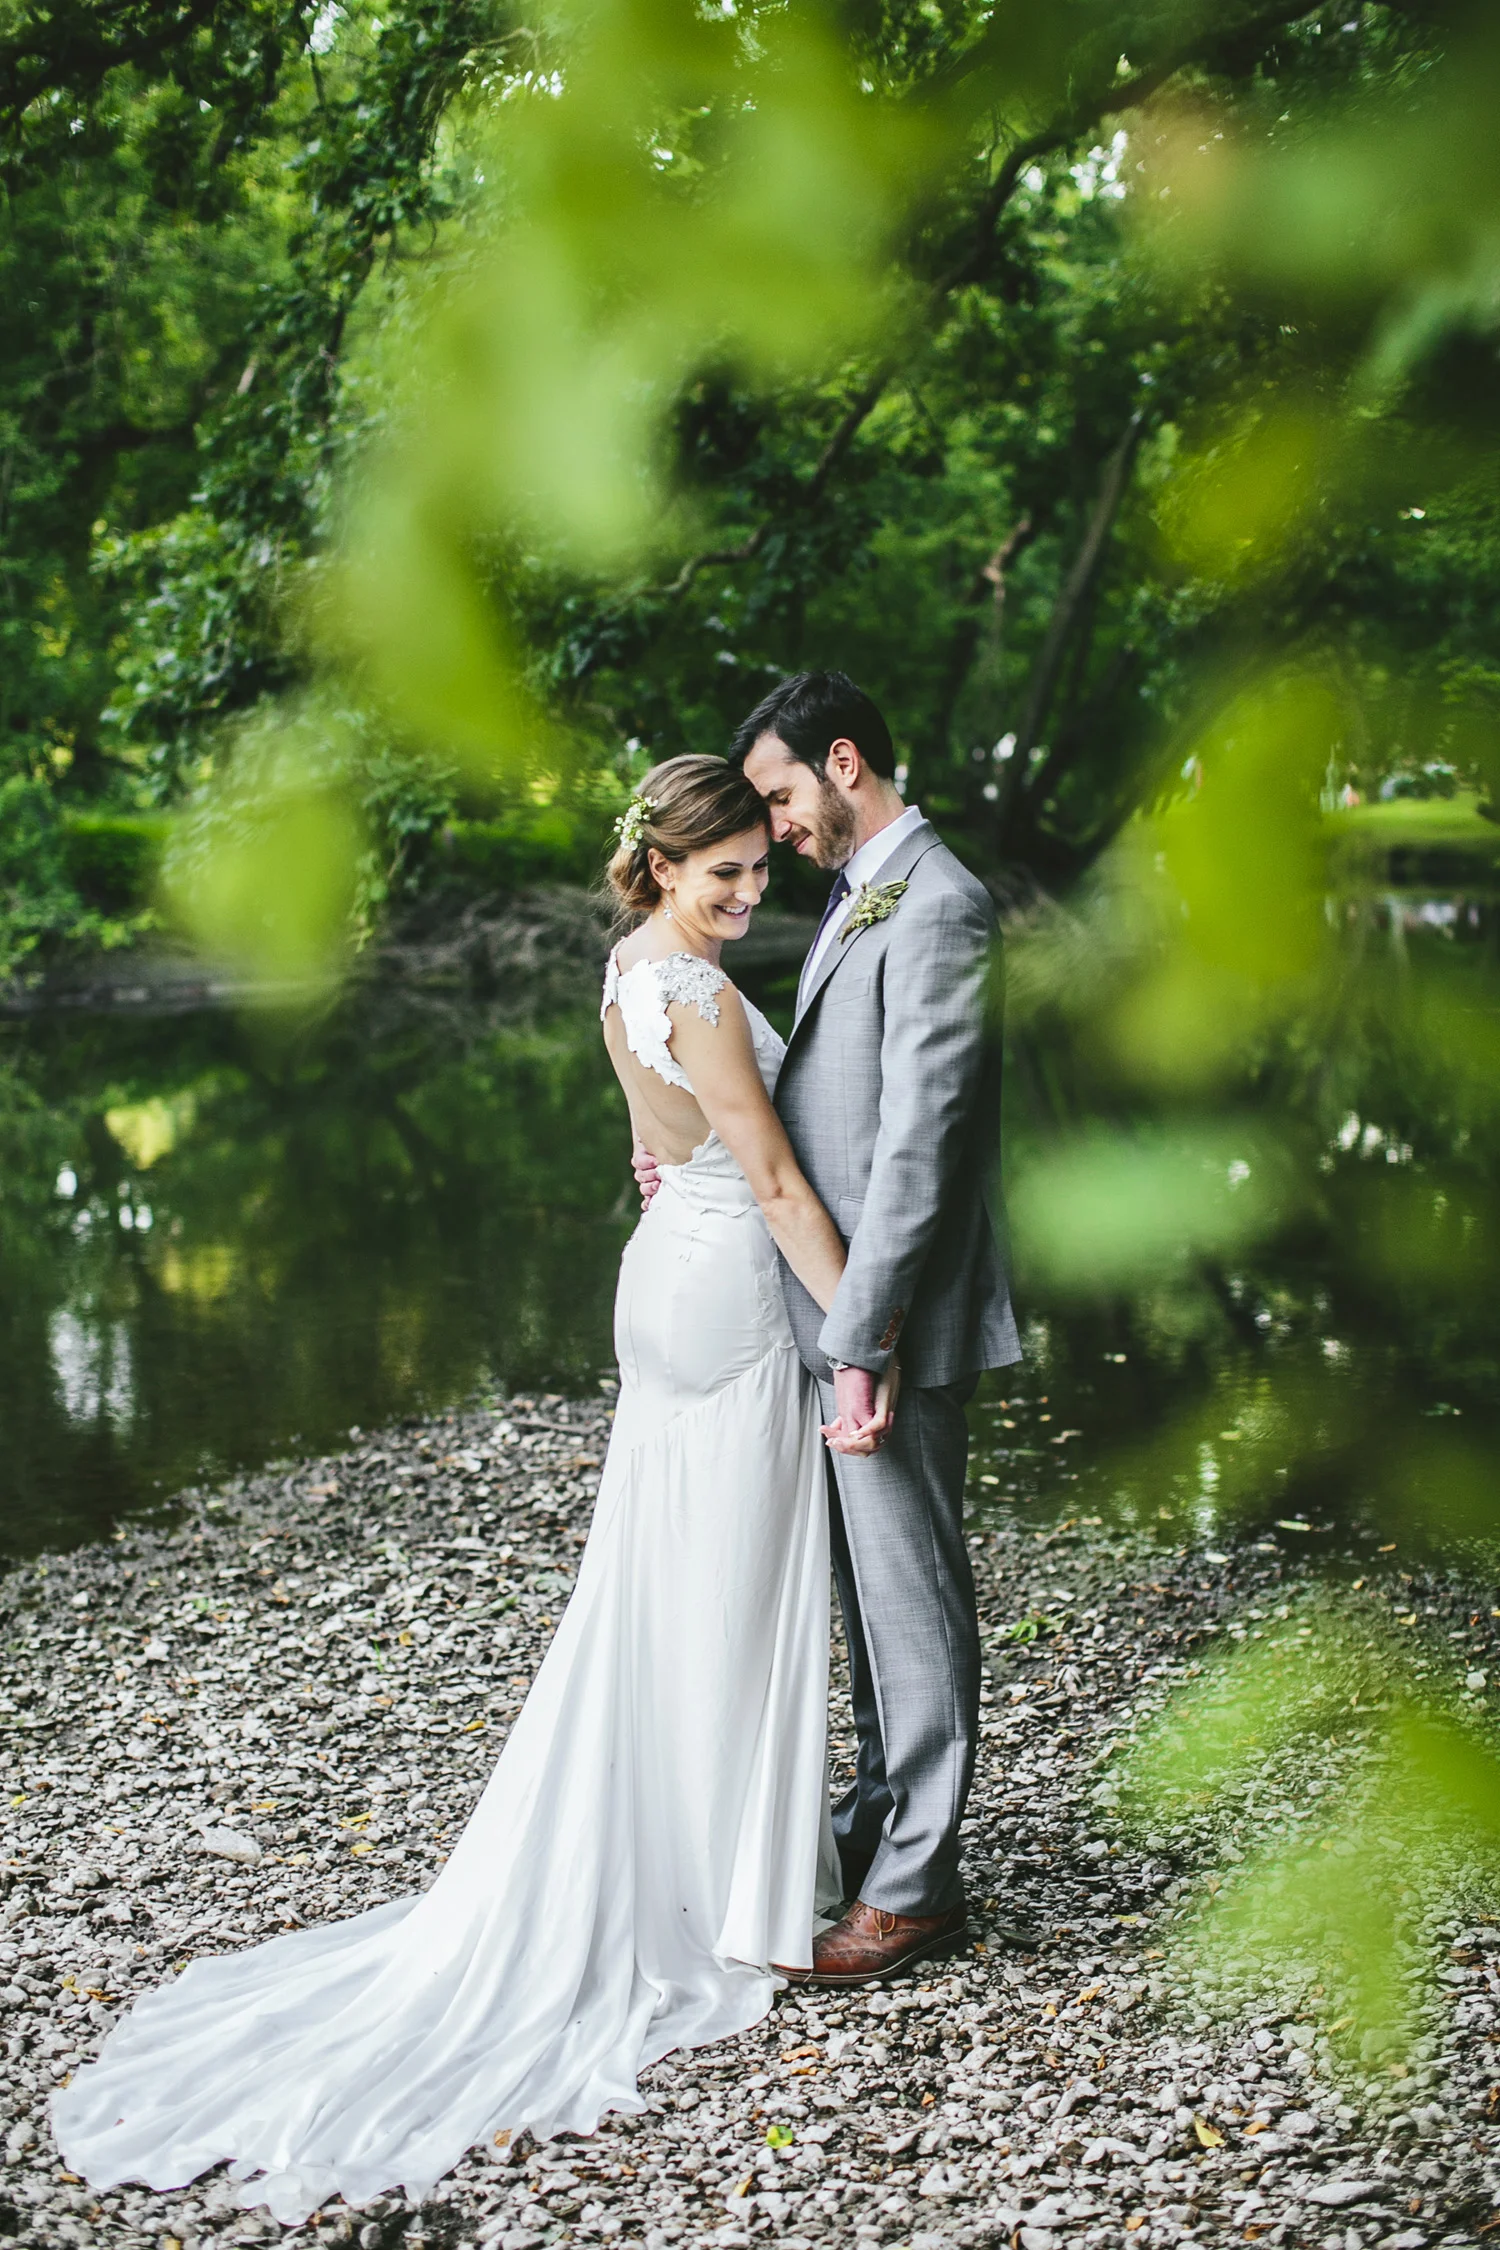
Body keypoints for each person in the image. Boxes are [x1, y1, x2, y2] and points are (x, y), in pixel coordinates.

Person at [53, 755, 880, 2226]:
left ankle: (711, 1858)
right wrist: (863, 1342)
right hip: (731, 1293)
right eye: (725, 876)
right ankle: (735, 1894)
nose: (751, 896)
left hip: (659, 1282)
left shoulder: (630, 967)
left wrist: (681, 1157)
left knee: (663, 1585)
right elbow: (770, 1181)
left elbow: (663, 1136)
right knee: (734, 1589)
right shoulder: (692, 985)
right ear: (666, 868)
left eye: (760, 870)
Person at [640, 671, 1021, 1985]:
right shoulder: (868, 891)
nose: (777, 827)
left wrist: (864, 1335)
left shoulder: (943, 902)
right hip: (839, 1309)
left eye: (785, 793)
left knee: (911, 1596)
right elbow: (819, 1098)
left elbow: (920, 1146)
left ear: (845, 758)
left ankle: (919, 1888)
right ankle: (882, 1823)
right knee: (868, 1597)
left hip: (889, 1318)